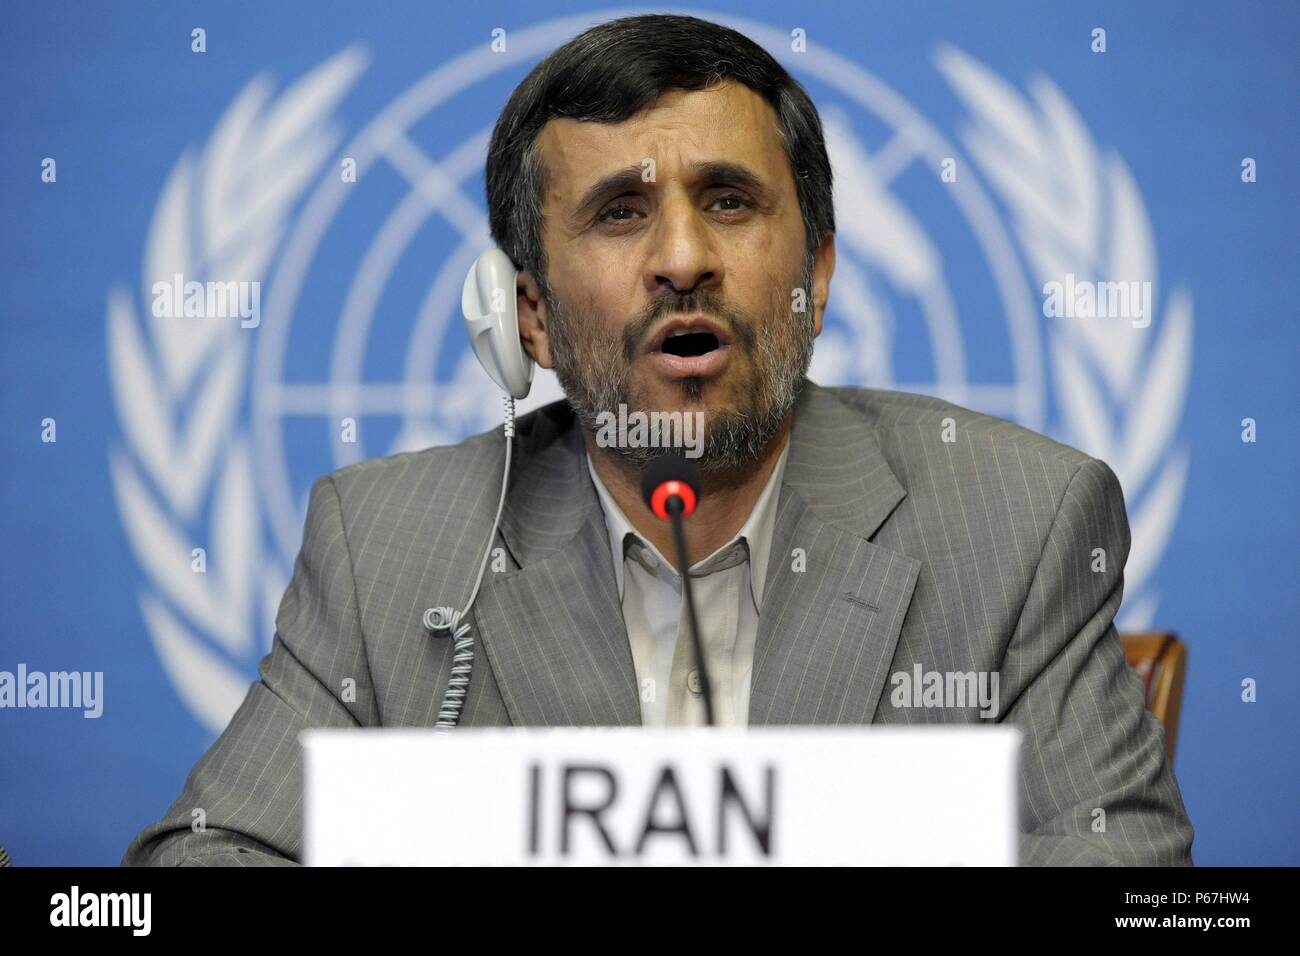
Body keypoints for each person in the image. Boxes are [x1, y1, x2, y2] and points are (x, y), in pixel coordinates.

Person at [123, 13, 1194, 866]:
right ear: (527, 315)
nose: (683, 257)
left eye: (728, 201)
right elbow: (207, 857)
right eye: (619, 214)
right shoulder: (387, 543)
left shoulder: (1016, 522)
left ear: (815, 275)